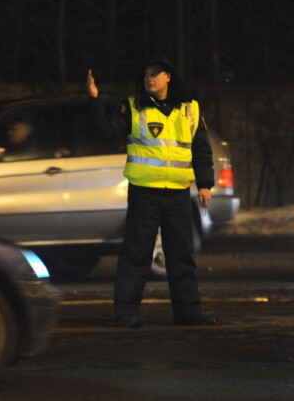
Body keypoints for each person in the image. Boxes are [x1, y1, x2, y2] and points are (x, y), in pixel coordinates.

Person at [87, 60, 215, 328]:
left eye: (155, 75)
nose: (150, 79)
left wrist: (205, 184)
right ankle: (127, 313)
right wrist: (95, 100)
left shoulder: (189, 108)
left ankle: (189, 313)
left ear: (168, 77)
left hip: (178, 193)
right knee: (136, 254)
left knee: (181, 255)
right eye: (146, 75)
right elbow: (105, 131)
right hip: (144, 193)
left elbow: (201, 148)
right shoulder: (134, 107)